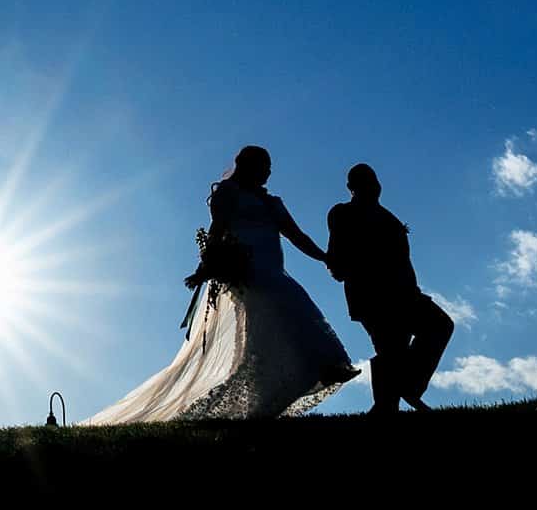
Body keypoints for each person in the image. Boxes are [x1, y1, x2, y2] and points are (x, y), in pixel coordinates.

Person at [85, 145, 361, 424]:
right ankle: (319, 369)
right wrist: (207, 267)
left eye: (269, 166)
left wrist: (325, 258)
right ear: (248, 165)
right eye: (263, 165)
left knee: (282, 324)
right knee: (289, 310)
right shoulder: (228, 194)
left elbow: (296, 235)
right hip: (246, 275)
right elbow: (217, 231)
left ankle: (306, 376)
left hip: (274, 271)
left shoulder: (273, 202)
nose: (268, 171)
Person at [325, 163, 455, 416]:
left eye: (374, 181)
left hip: (404, 293)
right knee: (391, 349)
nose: (373, 187)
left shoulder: (388, 217)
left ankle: (402, 392)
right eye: (365, 182)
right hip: (372, 295)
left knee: (436, 327)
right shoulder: (343, 214)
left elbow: (403, 260)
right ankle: (390, 404)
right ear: (352, 188)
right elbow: (338, 259)